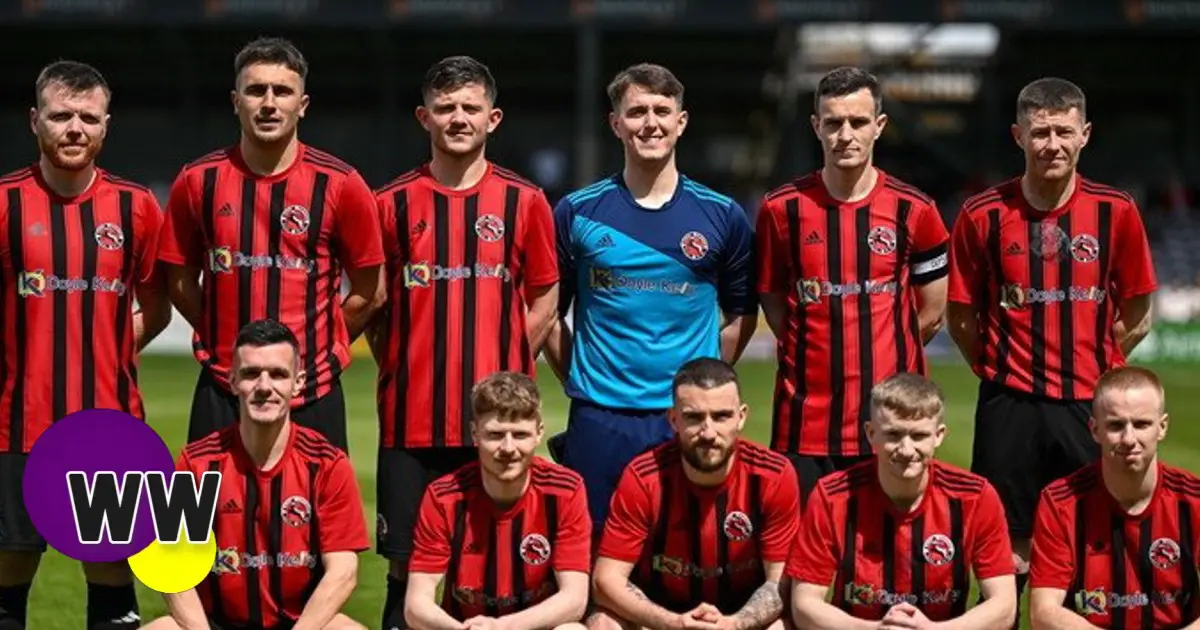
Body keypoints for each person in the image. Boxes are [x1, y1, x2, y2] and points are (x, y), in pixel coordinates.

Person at [946, 77, 1158, 619]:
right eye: (1040, 132)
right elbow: (963, 316)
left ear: (1085, 134)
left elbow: (1136, 308)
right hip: (1009, 404)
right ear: (1018, 135)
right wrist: (999, 368)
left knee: (1096, 544)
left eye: (1064, 131)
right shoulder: (982, 214)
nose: (1052, 144)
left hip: (1089, 407)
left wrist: (1102, 363)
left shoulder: (1116, 211)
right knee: (1005, 556)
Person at [369, 55, 560, 630]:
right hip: (410, 423)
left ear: (492, 118)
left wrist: (504, 368)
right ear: (423, 116)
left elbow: (545, 299)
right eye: (446, 107)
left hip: (496, 427)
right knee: (405, 574)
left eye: (470, 108)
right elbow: (378, 307)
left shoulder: (524, 202)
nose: (458, 118)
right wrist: (406, 363)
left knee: (500, 573)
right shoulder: (391, 203)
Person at [545, 63, 758, 533]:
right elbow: (546, 316)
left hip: (683, 419)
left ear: (681, 122)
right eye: (637, 111)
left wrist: (701, 382)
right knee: (595, 555)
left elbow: (742, 314)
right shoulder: (576, 211)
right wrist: (579, 376)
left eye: (663, 111)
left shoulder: (723, 215)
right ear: (615, 123)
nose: (651, 123)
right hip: (600, 416)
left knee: (682, 550)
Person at [0, 60, 171, 630]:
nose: (75, 128)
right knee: (10, 571)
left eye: (88, 118)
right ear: (34, 120)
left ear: (105, 125)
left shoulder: (137, 206)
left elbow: (157, 307)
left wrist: (108, 355)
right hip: (14, 428)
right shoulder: (3, 204)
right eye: (61, 115)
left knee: (111, 577)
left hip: (109, 429)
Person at [157, 36, 386, 453]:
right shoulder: (197, 181)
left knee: (315, 518)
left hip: (312, 390)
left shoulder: (342, 185)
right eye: (255, 89)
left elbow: (371, 293)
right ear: (235, 100)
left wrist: (319, 346)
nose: (268, 102)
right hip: (223, 385)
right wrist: (220, 335)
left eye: (281, 91)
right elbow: (179, 282)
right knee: (204, 517)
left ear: (302, 104)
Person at [754, 66, 950, 505]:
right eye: (834, 122)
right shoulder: (780, 211)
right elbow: (773, 301)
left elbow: (932, 311)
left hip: (892, 423)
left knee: (887, 560)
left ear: (879, 126)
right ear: (816, 127)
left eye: (858, 122)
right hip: (804, 421)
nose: (846, 134)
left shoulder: (915, 210)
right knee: (801, 562)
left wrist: (886, 349)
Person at [144, 319, 368, 630]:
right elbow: (172, 571)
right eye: (251, 374)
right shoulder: (196, 462)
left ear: (298, 382)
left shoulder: (327, 463)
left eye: (278, 374)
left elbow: (343, 570)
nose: (264, 387)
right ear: (233, 381)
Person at [788, 373, 1017, 630]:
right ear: (871, 433)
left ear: (938, 435)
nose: (907, 450)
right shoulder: (832, 496)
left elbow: (1004, 605)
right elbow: (804, 605)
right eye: (893, 434)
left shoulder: (975, 497)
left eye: (919, 436)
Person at [589, 358, 798, 630]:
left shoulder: (773, 476)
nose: (708, 432)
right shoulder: (643, 477)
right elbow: (605, 581)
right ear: (673, 419)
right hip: (661, 618)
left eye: (721, 416)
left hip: (739, 619)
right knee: (602, 622)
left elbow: (780, 582)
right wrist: (673, 623)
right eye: (694, 417)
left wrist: (733, 625)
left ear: (741, 416)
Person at [404, 371, 590, 630]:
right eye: (495, 434)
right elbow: (416, 605)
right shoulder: (444, 496)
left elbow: (574, 599)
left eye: (520, 435)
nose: (508, 448)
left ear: (539, 433)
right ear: (474, 433)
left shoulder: (565, 490)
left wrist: (501, 627)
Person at [1029, 366, 1200, 630]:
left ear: (1162, 427)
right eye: (1116, 425)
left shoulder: (1193, 499)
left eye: (1142, 424)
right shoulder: (1060, 502)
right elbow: (1043, 612)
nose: (1129, 438)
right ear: (1095, 429)